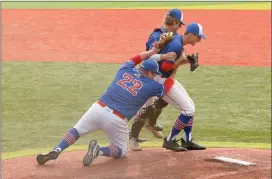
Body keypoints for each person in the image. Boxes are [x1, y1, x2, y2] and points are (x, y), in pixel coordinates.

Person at [36, 41, 180, 166]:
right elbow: (166, 88)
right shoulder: (150, 85)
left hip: (98, 107)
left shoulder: (125, 69)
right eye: (153, 74)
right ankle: (98, 150)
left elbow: (134, 58)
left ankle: (56, 150)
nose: (154, 76)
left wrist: (153, 51)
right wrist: (174, 71)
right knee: (122, 151)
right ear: (149, 73)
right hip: (116, 119)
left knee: (77, 130)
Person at [130, 22, 208, 152]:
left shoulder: (178, 41)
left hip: (165, 79)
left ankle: (187, 140)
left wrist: (185, 59)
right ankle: (170, 140)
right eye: (198, 37)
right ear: (192, 34)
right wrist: (181, 60)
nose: (199, 40)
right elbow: (165, 67)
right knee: (188, 110)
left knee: (191, 106)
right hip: (160, 81)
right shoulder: (176, 45)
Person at [129, 8, 186, 145]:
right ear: (174, 22)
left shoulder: (172, 37)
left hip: (159, 76)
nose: (179, 27)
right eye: (179, 24)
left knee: (162, 101)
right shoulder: (158, 35)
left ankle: (151, 122)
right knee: (147, 108)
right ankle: (132, 138)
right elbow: (149, 56)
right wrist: (165, 56)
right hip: (148, 76)